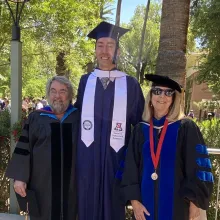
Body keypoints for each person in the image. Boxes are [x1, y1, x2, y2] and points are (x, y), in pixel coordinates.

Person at [75, 21, 145, 220]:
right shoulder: (84, 81)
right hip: (87, 159)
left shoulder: (130, 84)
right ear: (95, 50)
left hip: (117, 160)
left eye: (110, 45)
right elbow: (75, 116)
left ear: (118, 51)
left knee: (113, 206)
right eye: (100, 45)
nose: (104, 50)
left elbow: (140, 125)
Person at [121, 74, 213, 220]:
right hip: (145, 207)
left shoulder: (186, 127)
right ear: (150, 96)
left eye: (168, 92)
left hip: (178, 206)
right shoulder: (140, 130)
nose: (162, 96)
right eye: (157, 91)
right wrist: (134, 201)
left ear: (173, 98)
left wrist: (195, 203)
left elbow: (198, 168)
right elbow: (130, 167)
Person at [6, 76, 79, 220]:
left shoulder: (79, 118)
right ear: (48, 94)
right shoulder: (36, 118)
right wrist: (20, 177)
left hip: (72, 185)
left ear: (70, 95)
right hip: (42, 184)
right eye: (53, 91)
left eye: (62, 91)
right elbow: (24, 148)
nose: (57, 96)